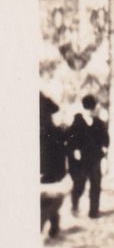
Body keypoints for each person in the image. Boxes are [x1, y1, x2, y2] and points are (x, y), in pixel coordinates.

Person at [66, 94, 108, 219]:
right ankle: (74, 204)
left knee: (96, 183)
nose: (89, 111)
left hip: (95, 157)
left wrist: (105, 146)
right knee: (80, 184)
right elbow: (71, 137)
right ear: (84, 108)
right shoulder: (77, 121)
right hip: (81, 159)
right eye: (87, 108)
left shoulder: (98, 122)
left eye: (91, 109)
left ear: (94, 109)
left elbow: (105, 137)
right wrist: (75, 149)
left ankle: (93, 211)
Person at [40, 94, 68, 237]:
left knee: (46, 201)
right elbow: (61, 155)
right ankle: (53, 223)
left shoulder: (54, 131)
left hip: (47, 173)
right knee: (49, 201)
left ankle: (51, 223)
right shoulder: (56, 131)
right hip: (50, 173)